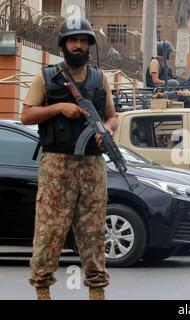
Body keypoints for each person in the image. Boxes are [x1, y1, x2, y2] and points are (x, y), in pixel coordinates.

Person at [21, 17, 116, 300]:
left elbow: (112, 117)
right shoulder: (46, 78)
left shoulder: (100, 79)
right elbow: (26, 115)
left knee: (94, 233)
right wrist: (60, 107)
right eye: (73, 40)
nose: (78, 45)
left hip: (91, 164)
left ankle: (97, 292)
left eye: (83, 41)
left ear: (89, 45)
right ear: (64, 45)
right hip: (57, 164)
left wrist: (106, 132)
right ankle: (42, 291)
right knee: (49, 232)